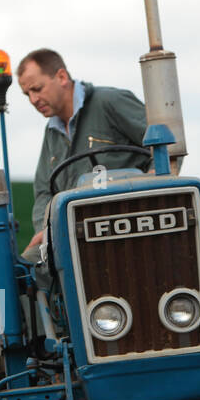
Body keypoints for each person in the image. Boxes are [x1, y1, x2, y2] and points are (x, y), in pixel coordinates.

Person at [17, 48, 152, 258]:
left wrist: (154, 181)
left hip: (129, 224)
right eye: (28, 94)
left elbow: (168, 145)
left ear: (61, 77)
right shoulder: (52, 132)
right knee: (22, 270)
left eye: (37, 89)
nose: (33, 99)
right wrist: (45, 229)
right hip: (75, 235)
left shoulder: (109, 102)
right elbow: (44, 190)